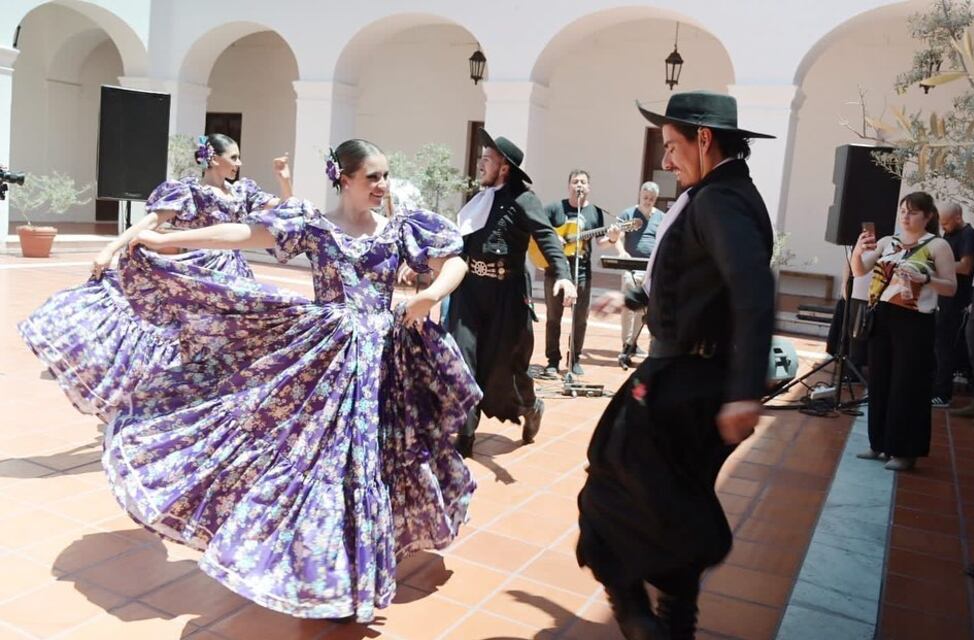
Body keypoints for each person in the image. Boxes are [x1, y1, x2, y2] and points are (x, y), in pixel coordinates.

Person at [107, 138, 480, 621]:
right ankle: (327, 573)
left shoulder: (400, 229)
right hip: (327, 359)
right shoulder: (314, 225)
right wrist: (164, 241)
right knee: (323, 462)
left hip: (384, 361)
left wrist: (429, 294)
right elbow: (242, 234)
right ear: (344, 178)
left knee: (373, 463)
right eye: (373, 177)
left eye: (385, 176)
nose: (382, 186)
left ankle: (350, 572)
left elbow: (456, 261)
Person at [577, 91, 776, 640]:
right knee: (673, 502)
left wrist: (744, 390)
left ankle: (641, 622)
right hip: (696, 377)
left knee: (607, 490)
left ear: (704, 140)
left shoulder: (719, 201)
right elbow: (698, 277)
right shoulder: (721, 193)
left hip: (685, 383)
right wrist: (637, 300)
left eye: (671, 146)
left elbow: (753, 289)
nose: (665, 161)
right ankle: (675, 624)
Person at [17, 133, 290, 421]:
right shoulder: (188, 192)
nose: (239, 163)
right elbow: (149, 222)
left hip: (234, 279)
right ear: (213, 159)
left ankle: (214, 407)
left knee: (236, 341)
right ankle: (167, 400)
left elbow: (290, 210)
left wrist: (284, 178)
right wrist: (110, 249)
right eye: (234, 157)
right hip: (196, 275)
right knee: (184, 339)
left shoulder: (243, 191)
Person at [447, 129, 576, 458]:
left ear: (504, 167)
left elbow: (547, 238)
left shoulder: (524, 199)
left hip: (506, 297)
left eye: (487, 159)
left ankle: (531, 406)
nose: (480, 164)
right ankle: (464, 435)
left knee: (505, 370)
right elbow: (458, 244)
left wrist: (563, 275)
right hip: (469, 293)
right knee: (462, 360)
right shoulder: (478, 200)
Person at [851, 191, 956, 471]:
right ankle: (878, 443)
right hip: (883, 315)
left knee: (907, 385)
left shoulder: (937, 246)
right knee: (881, 381)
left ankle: (904, 450)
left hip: (915, 320)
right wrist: (858, 251)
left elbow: (951, 287)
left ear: (928, 216)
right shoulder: (888, 242)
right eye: (903, 211)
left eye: (913, 212)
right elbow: (860, 271)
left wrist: (926, 278)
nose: (906, 217)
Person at [542, 170, 614, 377]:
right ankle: (552, 361)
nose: (579, 185)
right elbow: (540, 231)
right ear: (569, 186)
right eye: (575, 182)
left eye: (583, 182)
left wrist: (613, 237)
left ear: (589, 188)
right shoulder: (555, 208)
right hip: (555, 271)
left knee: (580, 319)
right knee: (553, 317)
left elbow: (600, 241)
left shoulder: (595, 212)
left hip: (582, 271)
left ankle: (574, 359)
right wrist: (555, 239)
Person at [933, 203, 974, 407]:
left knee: (947, 348)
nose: (943, 228)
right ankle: (936, 388)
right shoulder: (948, 235)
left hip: (957, 300)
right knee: (938, 346)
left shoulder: (969, 235)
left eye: (946, 223)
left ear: (958, 218)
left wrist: (938, 266)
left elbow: (966, 266)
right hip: (942, 298)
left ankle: (943, 394)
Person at [614, 181, 665, 363]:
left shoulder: (661, 217)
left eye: (651, 199)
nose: (648, 201)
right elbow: (617, 236)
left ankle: (633, 344)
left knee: (643, 309)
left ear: (655, 199)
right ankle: (626, 344)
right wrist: (622, 253)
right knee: (629, 306)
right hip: (630, 267)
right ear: (640, 195)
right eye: (645, 197)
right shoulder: (629, 214)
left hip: (651, 269)